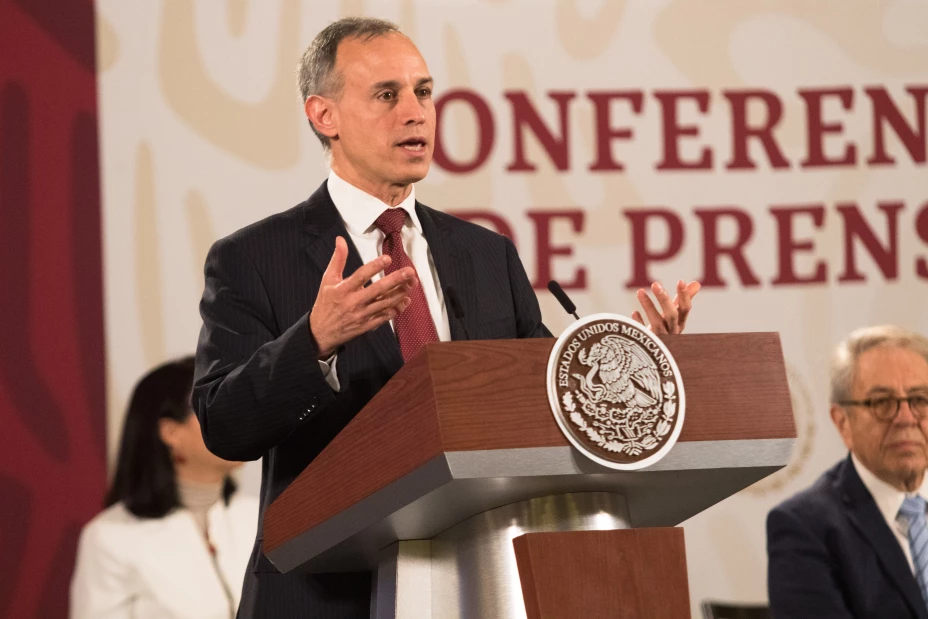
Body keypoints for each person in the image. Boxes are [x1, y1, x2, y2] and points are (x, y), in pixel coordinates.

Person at [192, 17, 700, 619]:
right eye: (387, 95)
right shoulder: (253, 257)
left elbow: (544, 399)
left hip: (485, 582)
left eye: (424, 92)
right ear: (324, 115)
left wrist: (637, 366)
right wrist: (314, 342)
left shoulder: (486, 254)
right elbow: (225, 426)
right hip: (328, 593)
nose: (416, 113)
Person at [70, 357, 258, 619]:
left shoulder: (260, 516)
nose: (239, 420)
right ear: (171, 433)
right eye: (218, 407)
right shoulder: (110, 537)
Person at [767, 325, 928, 619]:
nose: (906, 418)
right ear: (843, 422)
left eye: (920, 400)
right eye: (882, 403)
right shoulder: (805, 528)